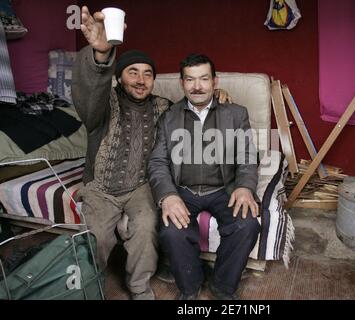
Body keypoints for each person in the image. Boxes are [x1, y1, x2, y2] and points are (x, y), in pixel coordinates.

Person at [71, 7, 229, 300]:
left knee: (146, 228)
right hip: (100, 187)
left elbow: (191, 108)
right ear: (119, 78)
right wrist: (102, 56)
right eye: (133, 73)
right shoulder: (103, 104)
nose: (141, 80)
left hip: (141, 186)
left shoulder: (163, 107)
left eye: (148, 74)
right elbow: (89, 92)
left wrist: (215, 98)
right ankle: (86, 288)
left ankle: (139, 286)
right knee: (97, 238)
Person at [148, 53, 261, 300]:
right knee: (170, 230)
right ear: (182, 83)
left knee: (247, 224)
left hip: (224, 189)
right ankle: (190, 286)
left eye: (203, 79)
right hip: (184, 190)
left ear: (215, 81)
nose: (197, 86)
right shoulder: (169, 117)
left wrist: (244, 186)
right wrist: (167, 195)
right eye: (190, 80)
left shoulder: (235, 113)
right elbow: (157, 161)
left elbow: (247, 156)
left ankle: (222, 286)